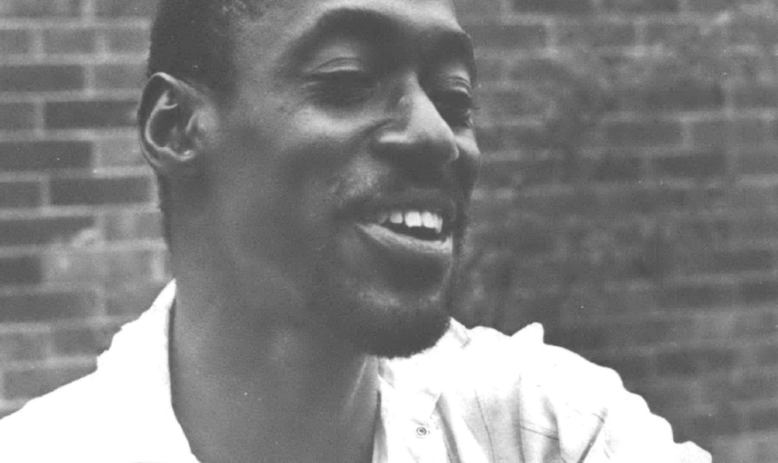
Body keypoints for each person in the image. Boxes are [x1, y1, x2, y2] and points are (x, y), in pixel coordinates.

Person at [0, 0, 711, 461]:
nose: (439, 135)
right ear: (178, 127)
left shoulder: (541, 430)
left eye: (455, 97)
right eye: (346, 80)